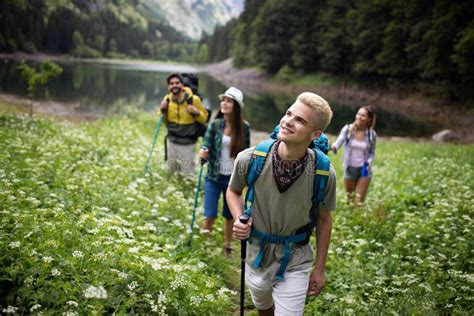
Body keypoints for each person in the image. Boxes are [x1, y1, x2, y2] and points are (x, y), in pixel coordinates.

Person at [227, 92, 336, 315]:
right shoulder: (250, 159)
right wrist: (239, 218)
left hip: (295, 257)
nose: (288, 121)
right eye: (289, 113)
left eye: (300, 120)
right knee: (263, 306)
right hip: (255, 253)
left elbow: (325, 219)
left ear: (315, 134)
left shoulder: (323, 173)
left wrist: (320, 269)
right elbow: (233, 191)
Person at [198, 87, 250, 255]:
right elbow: (206, 143)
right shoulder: (215, 124)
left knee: (229, 216)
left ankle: (227, 246)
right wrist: (203, 151)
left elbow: (247, 152)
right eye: (223, 100)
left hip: (233, 180)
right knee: (210, 214)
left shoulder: (244, 127)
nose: (224, 103)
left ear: (235, 106)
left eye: (228, 101)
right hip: (213, 176)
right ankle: (205, 246)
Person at [159, 73, 209, 178]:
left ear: (182, 85)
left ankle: (188, 190)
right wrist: (162, 110)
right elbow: (164, 121)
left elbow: (204, 118)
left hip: (188, 143)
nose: (174, 85)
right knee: (171, 172)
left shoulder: (194, 99)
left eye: (177, 83)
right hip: (172, 141)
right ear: (168, 86)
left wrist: (196, 112)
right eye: (171, 84)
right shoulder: (167, 99)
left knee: (188, 173)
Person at [331, 106, 377, 204]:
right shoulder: (348, 129)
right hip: (349, 167)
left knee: (360, 200)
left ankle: (358, 217)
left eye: (363, 115)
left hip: (364, 169)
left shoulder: (371, 134)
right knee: (350, 198)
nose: (359, 117)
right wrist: (334, 146)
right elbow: (340, 141)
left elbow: (372, 153)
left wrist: (369, 162)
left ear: (369, 119)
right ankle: (351, 216)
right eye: (358, 114)